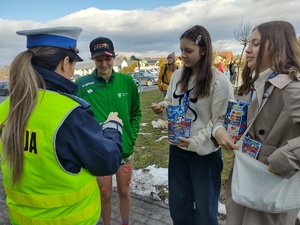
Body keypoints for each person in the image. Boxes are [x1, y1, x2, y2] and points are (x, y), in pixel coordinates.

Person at [0, 27, 123, 225]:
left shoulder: (7, 107)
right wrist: (112, 127)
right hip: (72, 219)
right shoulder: (69, 114)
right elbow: (107, 161)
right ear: (65, 63)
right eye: (74, 64)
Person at [214, 20, 300, 225]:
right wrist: (219, 130)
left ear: (277, 47)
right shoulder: (252, 84)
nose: (248, 50)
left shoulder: (291, 89)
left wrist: (285, 158)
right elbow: (226, 116)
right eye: (249, 44)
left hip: (270, 190)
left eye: (256, 44)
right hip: (244, 181)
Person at [151, 25, 234, 225]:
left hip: (204, 156)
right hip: (178, 150)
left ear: (203, 50)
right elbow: (172, 100)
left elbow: (218, 121)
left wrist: (195, 142)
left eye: (189, 51)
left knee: (206, 212)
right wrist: (163, 105)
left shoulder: (219, 82)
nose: (183, 56)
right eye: (181, 50)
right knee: (179, 208)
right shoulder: (179, 76)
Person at [75, 36, 142, 225]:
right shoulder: (81, 85)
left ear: (114, 57)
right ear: (92, 59)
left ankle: (125, 222)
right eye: (98, 60)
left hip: (124, 151)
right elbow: (78, 118)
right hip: (99, 153)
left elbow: (136, 112)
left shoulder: (127, 82)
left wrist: (131, 137)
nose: (103, 64)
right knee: (104, 196)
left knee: (124, 191)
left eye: (107, 59)